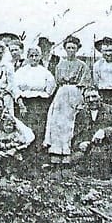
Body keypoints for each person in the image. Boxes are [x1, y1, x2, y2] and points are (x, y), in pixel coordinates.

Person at [44, 36, 90, 166]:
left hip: (75, 92)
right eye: (68, 48)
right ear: (65, 49)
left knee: (70, 122)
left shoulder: (82, 65)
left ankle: (68, 153)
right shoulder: (60, 64)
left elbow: (84, 82)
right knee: (58, 122)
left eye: (73, 48)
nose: (71, 50)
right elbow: (57, 80)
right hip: (62, 93)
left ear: (77, 49)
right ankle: (56, 152)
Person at [69, 87, 112, 179]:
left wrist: (105, 132)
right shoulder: (81, 115)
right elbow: (76, 137)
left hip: (111, 150)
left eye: (94, 96)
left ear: (100, 97)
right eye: (87, 98)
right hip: (89, 152)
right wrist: (80, 144)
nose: (91, 100)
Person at [13, 47, 56, 172]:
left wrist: (44, 97)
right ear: (27, 56)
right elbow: (15, 88)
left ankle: (38, 159)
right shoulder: (21, 71)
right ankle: (24, 159)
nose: (34, 58)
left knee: (39, 130)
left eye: (36, 56)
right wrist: (20, 103)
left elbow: (51, 87)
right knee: (26, 129)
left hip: (39, 103)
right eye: (31, 55)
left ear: (40, 57)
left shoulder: (45, 72)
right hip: (25, 104)